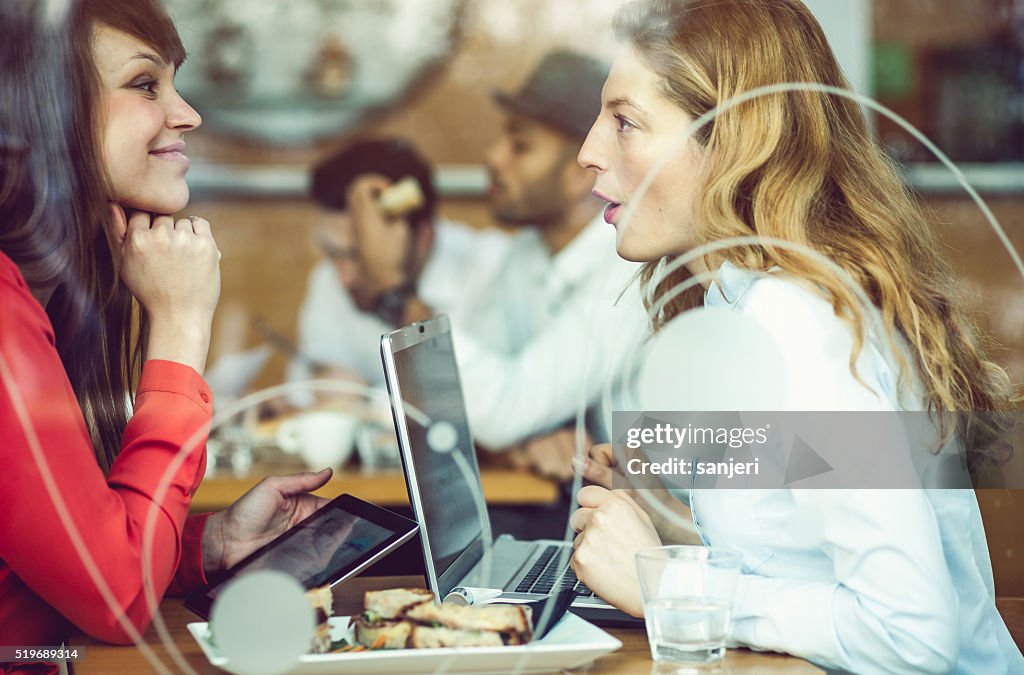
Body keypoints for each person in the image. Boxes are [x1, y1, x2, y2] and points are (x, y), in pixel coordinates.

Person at [570, 0, 1024, 673]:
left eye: (625, 122)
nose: (588, 152)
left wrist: (669, 587)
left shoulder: (798, 321)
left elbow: (912, 634)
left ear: (729, 143)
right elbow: (805, 535)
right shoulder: (748, 303)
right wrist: (668, 520)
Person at [0, 0, 331, 657]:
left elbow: (59, 562)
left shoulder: (44, 294)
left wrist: (202, 544)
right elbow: (114, 599)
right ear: (46, 108)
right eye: (145, 84)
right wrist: (180, 326)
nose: (188, 115)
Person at [348, 50, 649, 480]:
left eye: (520, 145)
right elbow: (464, 399)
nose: (494, 157)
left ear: (582, 172)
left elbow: (502, 409)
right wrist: (521, 442)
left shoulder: (627, 266)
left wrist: (395, 290)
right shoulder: (524, 257)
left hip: (672, 531)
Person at [288, 138, 509, 390]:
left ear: (424, 237)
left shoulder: (493, 269)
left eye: (357, 256)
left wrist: (393, 290)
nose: (343, 277)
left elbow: (465, 400)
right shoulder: (329, 278)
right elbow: (308, 389)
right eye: (332, 252)